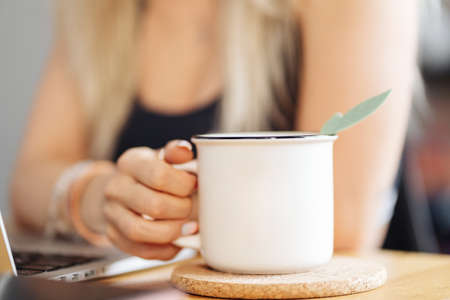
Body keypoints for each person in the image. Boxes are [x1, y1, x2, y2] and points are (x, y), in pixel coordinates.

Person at [10, 0, 418, 260]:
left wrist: (164, 208)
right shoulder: (100, 12)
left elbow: (342, 223)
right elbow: (30, 177)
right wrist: (103, 196)